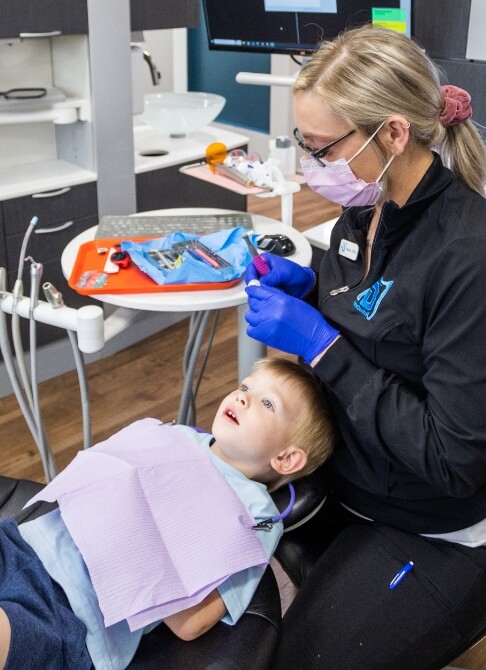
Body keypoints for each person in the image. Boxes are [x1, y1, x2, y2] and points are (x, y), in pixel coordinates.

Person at [244, 24, 486, 670]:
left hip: (428, 522)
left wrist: (323, 347)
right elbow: (376, 307)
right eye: (304, 141)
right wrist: (311, 290)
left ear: (394, 133)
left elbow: (451, 459)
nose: (309, 162)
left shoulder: (468, 255)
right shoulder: (364, 212)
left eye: (321, 147)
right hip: (345, 477)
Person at [0, 357, 334, 670]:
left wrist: (145, 531)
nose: (243, 397)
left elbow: (192, 623)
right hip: (26, 540)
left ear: (286, 459)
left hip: (71, 609)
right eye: (246, 387)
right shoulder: (178, 436)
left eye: (267, 403)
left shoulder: (255, 516)